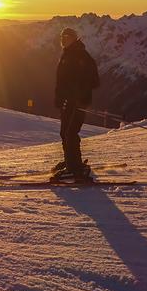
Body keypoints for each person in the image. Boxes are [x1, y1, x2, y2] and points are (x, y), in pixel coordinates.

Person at [54, 27, 100, 179]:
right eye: (62, 37)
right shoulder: (68, 53)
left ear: (74, 38)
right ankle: (70, 162)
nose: (63, 39)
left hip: (78, 102)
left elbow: (94, 80)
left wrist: (78, 95)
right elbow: (62, 81)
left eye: (66, 37)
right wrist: (60, 98)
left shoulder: (80, 55)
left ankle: (75, 168)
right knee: (65, 132)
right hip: (68, 102)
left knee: (70, 133)